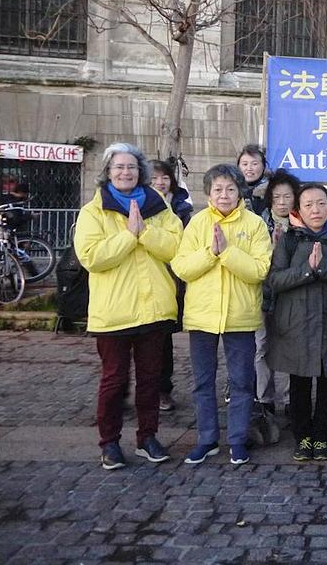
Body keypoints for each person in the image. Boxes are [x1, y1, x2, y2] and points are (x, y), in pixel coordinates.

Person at [74, 143, 183, 470]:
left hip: (154, 309)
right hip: (113, 313)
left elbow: (176, 247)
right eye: (118, 167)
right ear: (108, 172)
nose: (125, 172)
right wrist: (127, 236)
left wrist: (144, 232)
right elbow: (92, 257)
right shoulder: (93, 211)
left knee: (151, 379)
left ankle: (147, 437)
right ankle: (109, 443)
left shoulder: (158, 204)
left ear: (141, 172)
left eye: (131, 167)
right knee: (114, 380)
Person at [171, 164, 272, 466]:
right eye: (218, 189)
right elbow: (182, 267)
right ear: (208, 193)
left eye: (230, 189)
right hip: (202, 317)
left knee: (242, 382)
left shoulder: (254, 225)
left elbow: (259, 270)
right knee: (202, 382)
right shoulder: (197, 223)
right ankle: (207, 439)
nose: (224, 195)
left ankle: (238, 440)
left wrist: (227, 252)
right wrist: (210, 254)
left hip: (240, 316)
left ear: (240, 190)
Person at [266, 184, 327, 462]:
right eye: (308, 204)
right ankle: (302, 437)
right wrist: (308, 270)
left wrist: (325, 268)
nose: (315, 210)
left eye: (321, 203)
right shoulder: (288, 240)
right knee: (299, 384)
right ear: (299, 209)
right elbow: (276, 280)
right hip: (296, 324)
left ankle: (322, 436)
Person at [256, 169, 301, 419]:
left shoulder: (301, 224)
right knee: (261, 346)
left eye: (287, 197)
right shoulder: (258, 223)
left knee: (287, 349)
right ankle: (264, 398)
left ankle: (288, 399)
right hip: (262, 296)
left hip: (290, 297)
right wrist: (272, 250)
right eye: (277, 198)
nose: (282, 203)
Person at [149, 159, 193, 412]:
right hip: (139, 280)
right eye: (154, 178)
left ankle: (163, 390)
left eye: (164, 177)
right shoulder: (137, 204)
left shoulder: (181, 208)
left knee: (163, 337)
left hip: (171, 278)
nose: (160, 183)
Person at [237, 144, 270, 216]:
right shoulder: (232, 190)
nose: (249, 168)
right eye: (245, 164)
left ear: (263, 166)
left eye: (254, 164)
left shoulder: (272, 190)